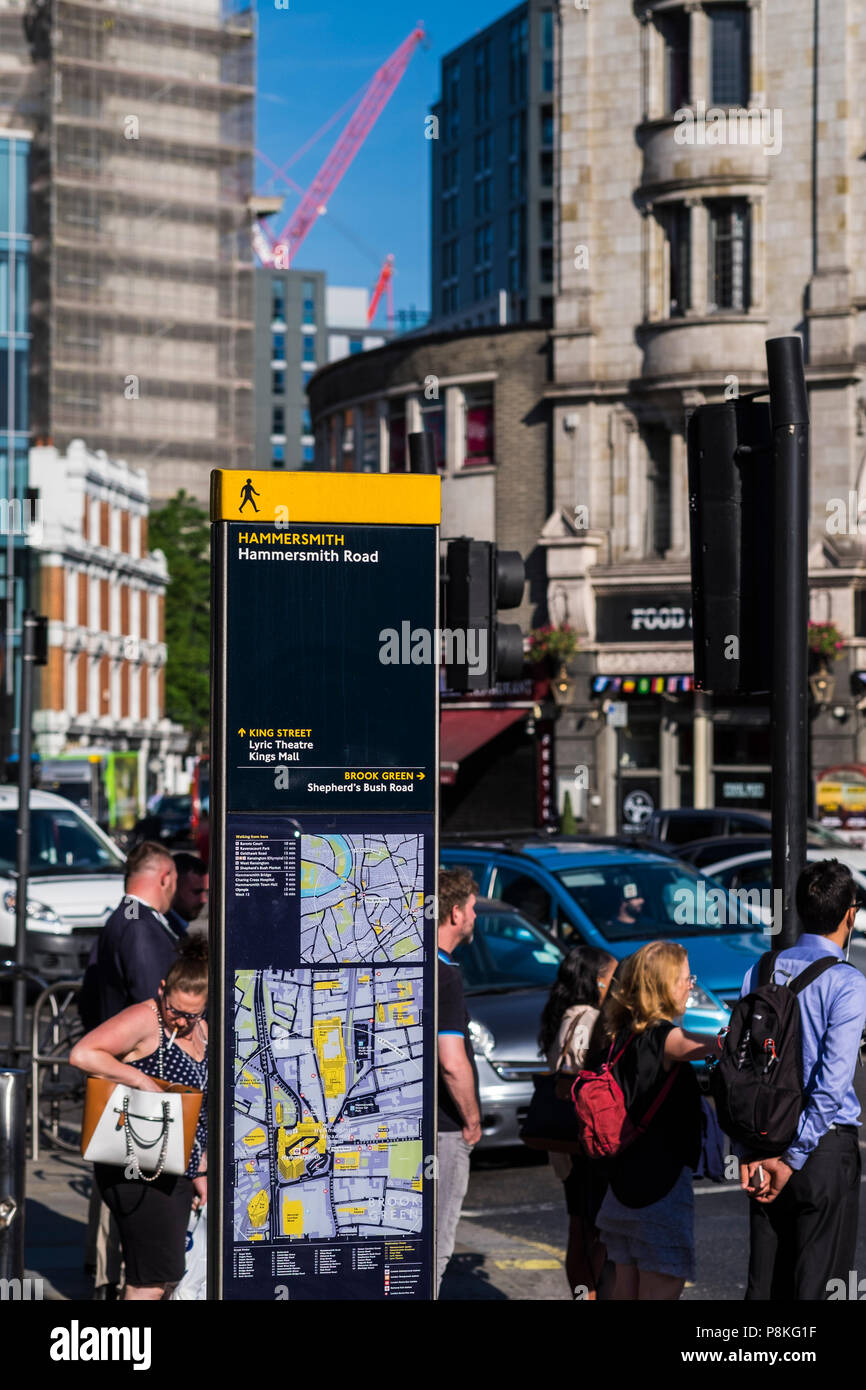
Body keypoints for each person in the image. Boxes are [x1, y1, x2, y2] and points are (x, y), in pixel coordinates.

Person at [738, 859, 866, 1301]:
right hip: (821, 1149)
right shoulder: (847, 983)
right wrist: (793, 1159)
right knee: (818, 1285)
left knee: (765, 1285)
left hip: (763, 1140)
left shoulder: (761, 969)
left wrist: (749, 1152)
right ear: (849, 915)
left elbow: (740, 1064)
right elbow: (832, 1084)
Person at [70, 937, 208, 1302]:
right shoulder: (145, 1018)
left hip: (177, 1167)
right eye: (175, 1009)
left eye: (192, 1015)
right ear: (162, 989)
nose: (181, 1020)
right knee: (148, 1279)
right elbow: (83, 1053)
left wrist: (201, 1169)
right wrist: (141, 1080)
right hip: (138, 1164)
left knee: (164, 1278)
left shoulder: (203, 1029)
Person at [591, 940, 716, 1300]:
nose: (691, 984)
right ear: (663, 985)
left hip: (621, 1187)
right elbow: (702, 1044)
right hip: (659, 1192)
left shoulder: (621, 1036)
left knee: (623, 1290)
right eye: (684, 977)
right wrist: (734, 1038)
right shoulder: (664, 1037)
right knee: (662, 1283)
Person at [538, 945, 617, 1298]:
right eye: (613, 978)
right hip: (587, 1138)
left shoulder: (564, 1014)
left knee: (580, 1226)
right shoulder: (589, 1019)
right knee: (595, 1229)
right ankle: (590, 1294)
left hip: (568, 1142)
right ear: (598, 982)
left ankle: (583, 1294)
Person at [436, 867, 482, 1296]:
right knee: (435, 1247)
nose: (474, 917)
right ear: (453, 913)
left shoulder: (408, 964)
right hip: (443, 1130)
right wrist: (471, 1121)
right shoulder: (445, 976)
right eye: (471, 908)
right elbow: (452, 1061)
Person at [79, 842, 180, 1034]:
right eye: (176, 880)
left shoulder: (124, 916)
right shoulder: (139, 925)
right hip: (143, 1049)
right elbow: (150, 999)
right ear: (165, 878)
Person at [167, 852, 208, 940]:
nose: (204, 900)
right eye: (197, 892)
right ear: (174, 887)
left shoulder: (175, 930)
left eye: (206, 892)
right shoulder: (161, 932)